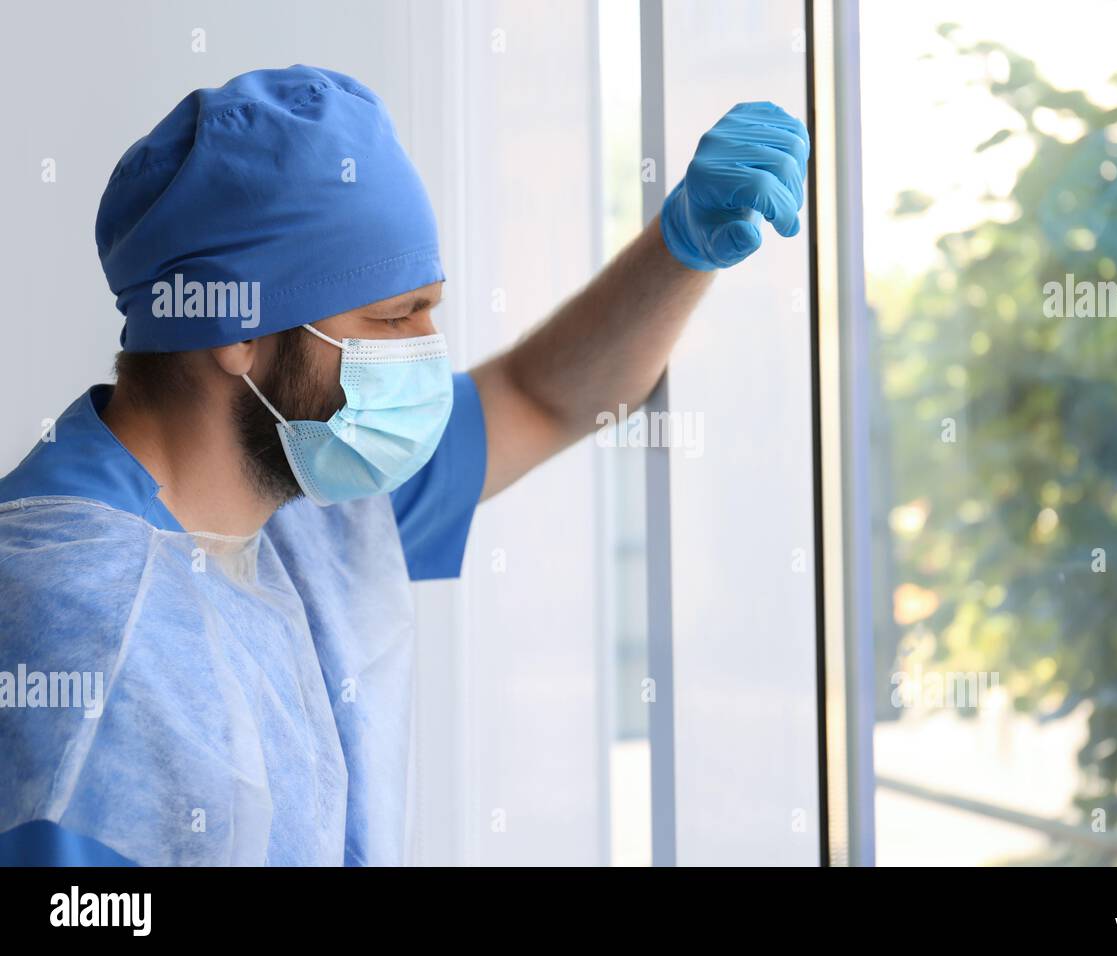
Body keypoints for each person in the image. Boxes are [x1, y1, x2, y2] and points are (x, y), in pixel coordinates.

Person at [0, 65, 808, 865]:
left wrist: (682, 246)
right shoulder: (77, 622)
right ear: (236, 331)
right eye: (395, 317)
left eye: (430, 307)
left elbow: (540, 397)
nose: (427, 351)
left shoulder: (307, 493)